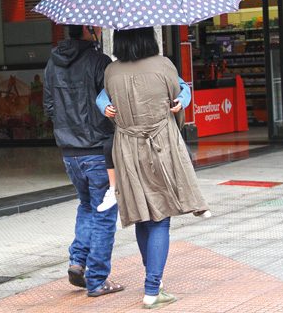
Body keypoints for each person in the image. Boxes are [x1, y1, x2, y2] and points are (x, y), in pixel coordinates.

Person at [103, 27, 210, 309]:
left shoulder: (111, 71)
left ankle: (156, 282)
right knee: (161, 218)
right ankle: (152, 290)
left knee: (143, 215)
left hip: (126, 148)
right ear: (149, 38)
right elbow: (177, 99)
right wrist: (180, 105)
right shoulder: (164, 65)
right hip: (160, 146)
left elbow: (107, 105)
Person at [43, 25, 125, 297]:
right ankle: (98, 279)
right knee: (104, 213)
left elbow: (49, 108)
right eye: (98, 28)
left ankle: (78, 262)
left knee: (87, 206)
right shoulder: (99, 62)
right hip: (97, 150)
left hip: (69, 152)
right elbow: (113, 103)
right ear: (90, 30)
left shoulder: (51, 64)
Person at [95, 78, 192, 212]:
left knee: (185, 153)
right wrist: (104, 105)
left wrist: (182, 100)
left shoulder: (159, 67)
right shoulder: (120, 72)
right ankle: (113, 189)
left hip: (158, 127)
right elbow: (104, 93)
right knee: (109, 148)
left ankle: (189, 193)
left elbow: (182, 85)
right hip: (132, 128)